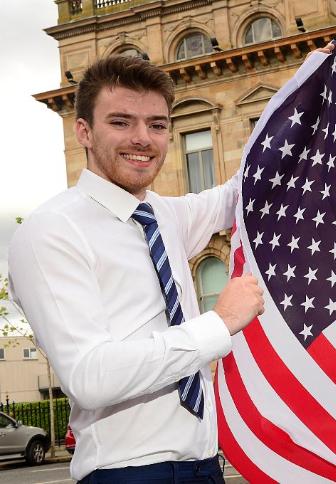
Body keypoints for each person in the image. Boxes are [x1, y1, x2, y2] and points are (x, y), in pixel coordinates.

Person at [8, 55, 270, 482]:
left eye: (158, 125)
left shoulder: (164, 214)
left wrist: (307, 89)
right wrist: (218, 323)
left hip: (204, 468)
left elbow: (244, 190)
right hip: (127, 474)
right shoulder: (51, 232)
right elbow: (90, 376)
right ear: (84, 132)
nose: (143, 139)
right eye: (121, 122)